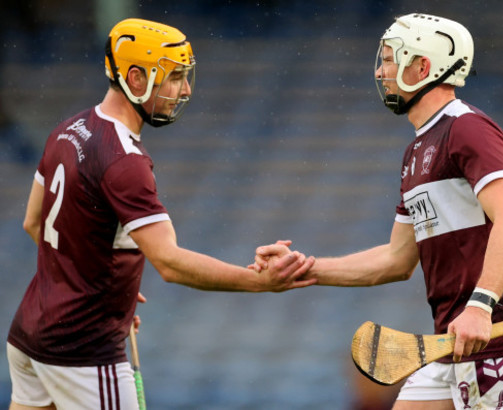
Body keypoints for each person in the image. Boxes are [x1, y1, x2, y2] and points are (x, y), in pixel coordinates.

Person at [6, 18, 315, 410]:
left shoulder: (67, 129)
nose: (185, 89)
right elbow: (170, 263)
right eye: (174, 77)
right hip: (82, 352)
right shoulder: (124, 161)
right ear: (136, 78)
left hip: (28, 336)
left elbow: (33, 222)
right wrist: (258, 283)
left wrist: (101, 281)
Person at [255, 13, 503, 409]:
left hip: (494, 339)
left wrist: (480, 307)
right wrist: (303, 269)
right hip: (450, 343)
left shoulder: (467, 128)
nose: (380, 70)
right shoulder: (416, 152)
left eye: (391, 58)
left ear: (423, 66)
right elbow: (396, 260)